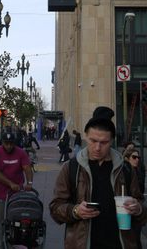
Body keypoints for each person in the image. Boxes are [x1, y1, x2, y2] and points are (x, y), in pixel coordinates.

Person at [49, 106, 147, 249]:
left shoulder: (125, 169)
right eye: (93, 141)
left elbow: (142, 214)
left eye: (104, 142)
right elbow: (55, 209)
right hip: (82, 244)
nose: (97, 148)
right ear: (86, 137)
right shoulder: (71, 168)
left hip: (120, 244)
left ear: (112, 140)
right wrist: (75, 211)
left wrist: (137, 208)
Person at [0, 131, 33, 249]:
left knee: (17, 218)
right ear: (2, 142)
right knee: (2, 220)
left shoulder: (20, 152)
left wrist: (29, 183)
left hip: (16, 193)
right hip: (0, 193)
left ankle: (17, 240)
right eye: (6, 143)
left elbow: (27, 168)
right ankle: (3, 243)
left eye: (11, 144)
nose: (9, 146)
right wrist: (11, 184)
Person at [123, 148, 146, 249]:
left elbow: (140, 194)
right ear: (126, 159)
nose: (137, 159)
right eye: (134, 157)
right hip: (123, 209)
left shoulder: (140, 174)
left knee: (136, 239)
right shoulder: (121, 174)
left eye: (138, 157)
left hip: (135, 209)